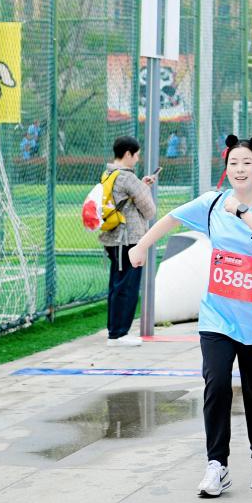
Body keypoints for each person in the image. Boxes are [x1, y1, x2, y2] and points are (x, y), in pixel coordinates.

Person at [129, 135, 252, 498]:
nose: (240, 169)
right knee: (216, 385)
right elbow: (171, 218)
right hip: (218, 316)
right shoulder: (213, 202)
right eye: (233, 163)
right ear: (226, 168)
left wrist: (243, 212)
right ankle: (217, 464)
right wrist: (141, 245)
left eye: (247, 163)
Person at [99, 136, 158, 348]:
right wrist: (143, 189)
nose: (137, 159)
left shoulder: (108, 173)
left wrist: (141, 186)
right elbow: (149, 210)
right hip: (129, 239)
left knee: (116, 285)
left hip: (113, 239)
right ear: (128, 154)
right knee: (127, 286)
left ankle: (114, 331)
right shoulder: (128, 177)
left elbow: (125, 198)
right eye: (137, 155)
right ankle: (119, 334)